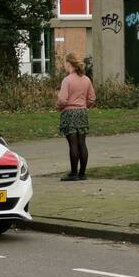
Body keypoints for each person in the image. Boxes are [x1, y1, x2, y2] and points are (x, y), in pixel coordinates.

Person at [57, 52, 96, 181]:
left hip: (70, 113)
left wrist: (59, 107)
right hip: (82, 112)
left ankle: (73, 173)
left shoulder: (67, 80)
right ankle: (82, 173)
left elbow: (63, 99)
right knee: (82, 143)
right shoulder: (86, 79)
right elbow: (92, 98)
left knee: (73, 144)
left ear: (69, 63)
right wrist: (84, 106)